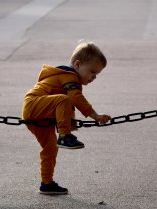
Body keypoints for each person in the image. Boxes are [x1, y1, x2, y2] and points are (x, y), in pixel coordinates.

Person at [22, 41, 111, 195]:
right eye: (92, 72)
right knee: (63, 99)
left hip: (42, 113)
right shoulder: (68, 76)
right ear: (77, 64)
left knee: (50, 148)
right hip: (34, 106)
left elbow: (69, 104)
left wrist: (71, 122)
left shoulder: (70, 78)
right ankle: (64, 137)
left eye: (97, 74)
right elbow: (74, 98)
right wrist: (94, 115)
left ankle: (46, 183)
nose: (94, 77)